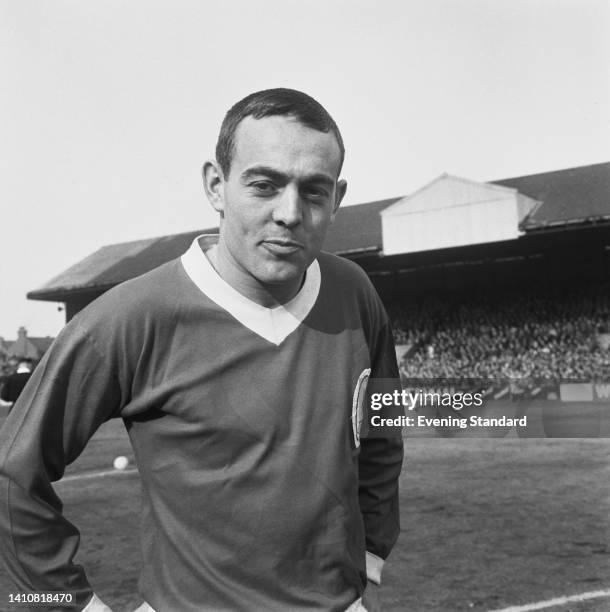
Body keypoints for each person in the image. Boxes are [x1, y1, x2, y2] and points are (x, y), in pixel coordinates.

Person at [0, 88, 404, 612]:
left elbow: (381, 431)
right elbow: (11, 476)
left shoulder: (355, 293)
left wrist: (370, 558)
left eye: (314, 191)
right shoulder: (129, 318)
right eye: (264, 185)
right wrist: (71, 607)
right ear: (216, 185)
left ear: (337, 198)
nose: (290, 213)